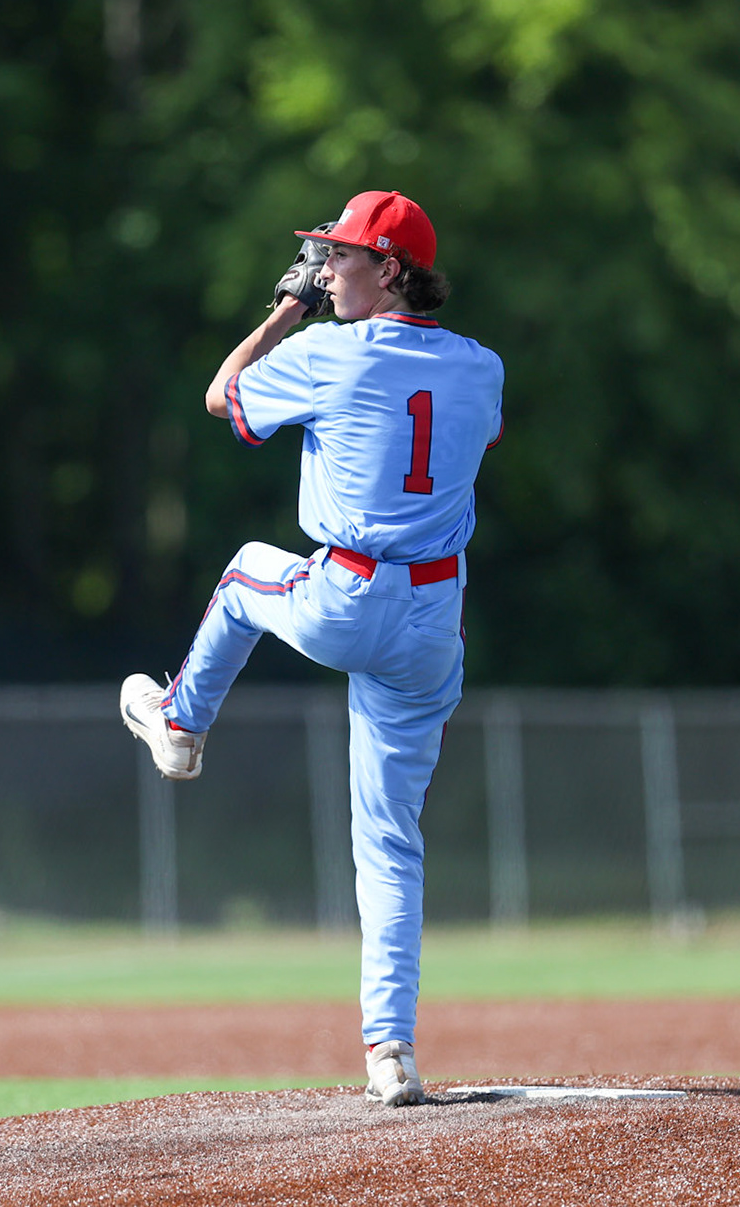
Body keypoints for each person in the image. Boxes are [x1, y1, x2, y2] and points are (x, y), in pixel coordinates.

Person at [119, 190, 503, 1107]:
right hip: (435, 620)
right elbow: (456, 430)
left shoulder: (326, 350)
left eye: (341, 257)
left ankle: (180, 719)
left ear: (392, 270)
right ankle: (391, 1052)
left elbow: (220, 398)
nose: (325, 268)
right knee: (391, 841)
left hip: (351, 591)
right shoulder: (483, 366)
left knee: (249, 566)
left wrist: (283, 312)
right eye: (322, 258)